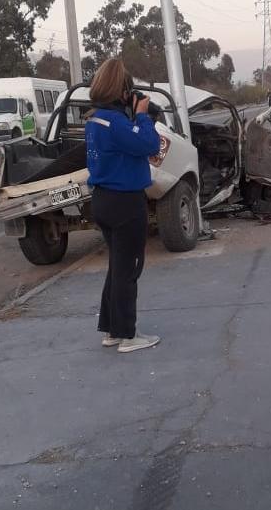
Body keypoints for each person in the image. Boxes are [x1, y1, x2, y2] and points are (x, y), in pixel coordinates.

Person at [86, 58, 161, 353]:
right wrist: (142, 115)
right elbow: (150, 145)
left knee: (117, 268)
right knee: (128, 269)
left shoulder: (95, 119)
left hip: (103, 199)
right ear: (121, 91)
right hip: (125, 202)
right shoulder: (115, 122)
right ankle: (128, 336)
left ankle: (112, 330)